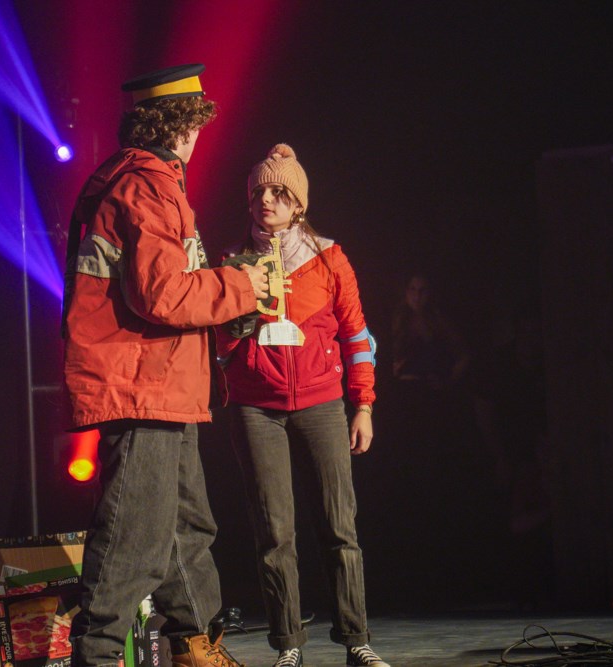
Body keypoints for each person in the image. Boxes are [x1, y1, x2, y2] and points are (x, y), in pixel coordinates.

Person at [61, 63, 268, 667]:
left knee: (185, 528)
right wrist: (242, 283)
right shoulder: (146, 186)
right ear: (183, 126)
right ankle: (96, 658)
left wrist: (229, 296)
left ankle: (196, 648)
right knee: (134, 540)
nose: (200, 135)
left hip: (162, 382)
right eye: (198, 122)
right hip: (140, 383)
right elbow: (163, 296)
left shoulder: (135, 181)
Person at [216, 144, 389, 667]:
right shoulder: (233, 263)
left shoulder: (330, 258)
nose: (266, 200)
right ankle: (288, 645)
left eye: (278, 193)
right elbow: (220, 345)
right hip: (256, 406)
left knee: (340, 525)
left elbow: (358, 337)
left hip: (321, 400)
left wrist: (364, 406)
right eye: (258, 193)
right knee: (274, 531)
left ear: (298, 204)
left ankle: (355, 639)